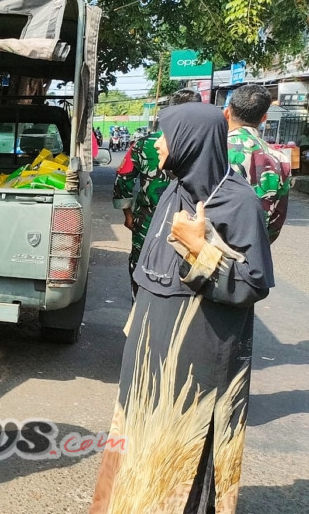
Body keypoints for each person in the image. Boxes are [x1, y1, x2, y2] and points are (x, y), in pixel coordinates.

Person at [91, 103, 274, 514]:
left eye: (166, 135)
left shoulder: (237, 202)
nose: (158, 143)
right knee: (139, 436)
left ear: (191, 142)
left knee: (183, 447)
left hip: (197, 357)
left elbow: (253, 284)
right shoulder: (174, 192)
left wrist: (200, 250)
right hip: (150, 350)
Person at [112, 89, 202, 295]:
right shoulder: (208, 144)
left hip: (147, 221)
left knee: (141, 267)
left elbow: (123, 178)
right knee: (187, 273)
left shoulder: (145, 143)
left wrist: (128, 215)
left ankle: (139, 306)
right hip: (193, 224)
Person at [225, 84, 291, 242]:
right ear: (264, 118)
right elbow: (278, 216)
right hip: (254, 246)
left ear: (227, 112)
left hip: (208, 246)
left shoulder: (214, 148)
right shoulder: (280, 158)